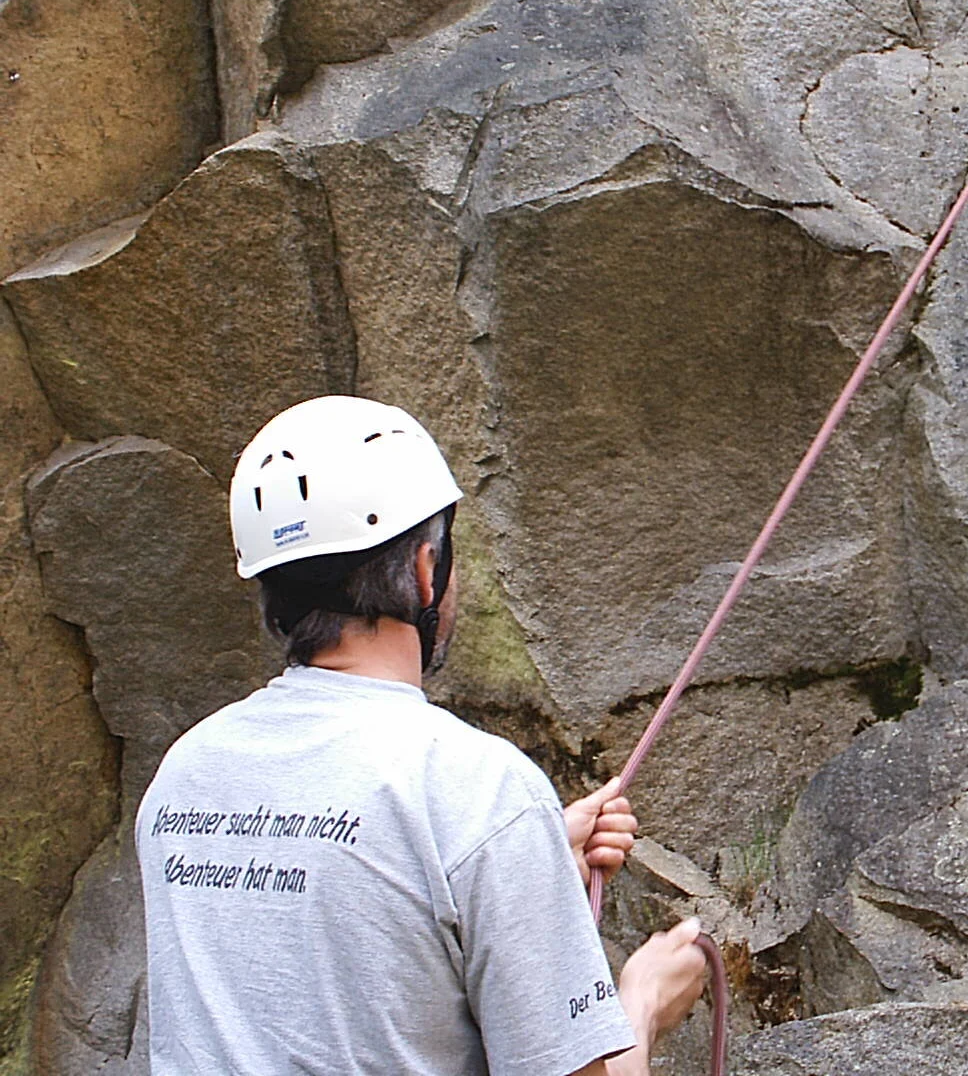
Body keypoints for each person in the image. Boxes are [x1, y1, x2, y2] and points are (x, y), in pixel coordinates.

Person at [135, 395, 706, 1075]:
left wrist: (524, 859)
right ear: (427, 567)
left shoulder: (183, 775)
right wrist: (640, 1005)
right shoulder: (475, 787)